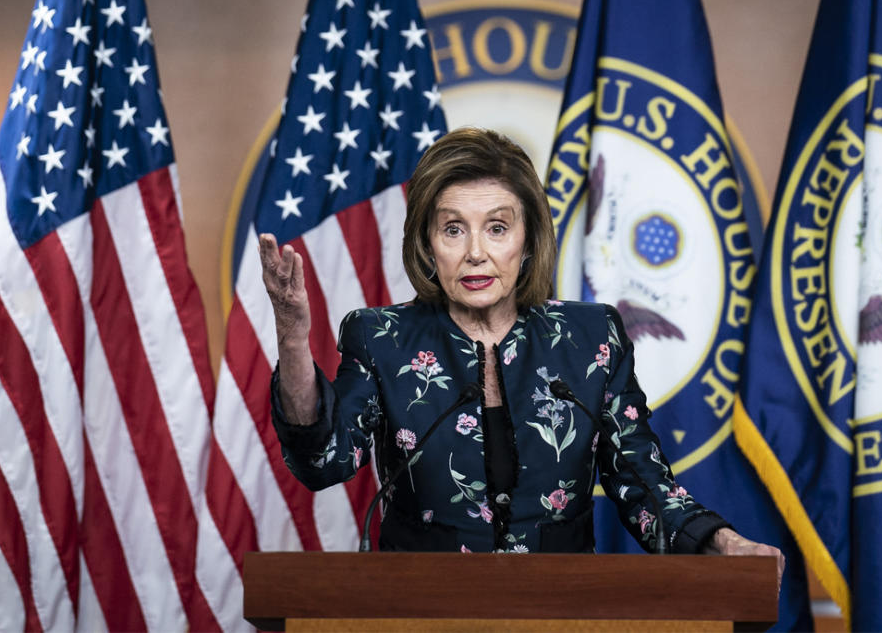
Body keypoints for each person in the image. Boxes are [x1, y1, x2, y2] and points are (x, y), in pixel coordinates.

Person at [261, 126, 784, 566]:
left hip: (561, 614)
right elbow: (323, 460)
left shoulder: (589, 341)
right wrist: (291, 336)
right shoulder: (383, 340)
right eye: (452, 229)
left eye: (496, 228)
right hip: (419, 614)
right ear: (426, 244)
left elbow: (642, 483)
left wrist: (722, 541)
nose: (475, 253)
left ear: (529, 240)